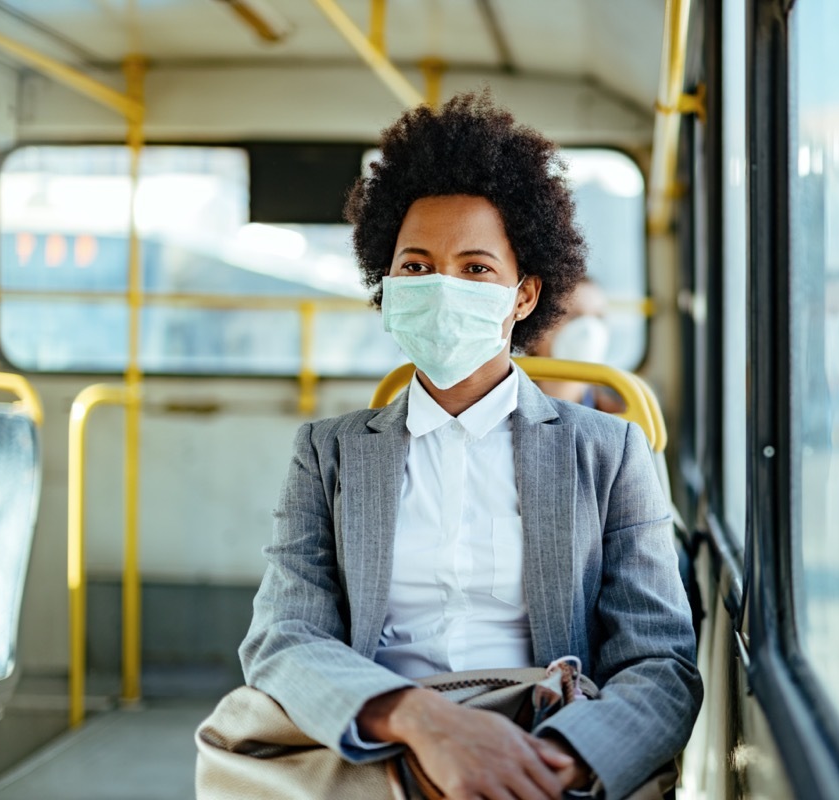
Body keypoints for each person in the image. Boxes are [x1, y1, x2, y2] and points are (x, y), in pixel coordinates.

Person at [238, 93, 702, 800]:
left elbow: (659, 663)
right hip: (381, 740)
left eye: (476, 268)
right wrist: (422, 724)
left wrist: (554, 767)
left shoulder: (611, 453)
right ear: (387, 285)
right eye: (417, 267)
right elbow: (284, 637)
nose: (442, 287)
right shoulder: (326, 455)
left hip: (543, 744)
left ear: (524, 295)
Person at [527, 277, 624, 412]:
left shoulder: (620, 415)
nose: (590, 330)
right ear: (537, 329)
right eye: (574, 316)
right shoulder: (507, 408)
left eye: (599, 317)